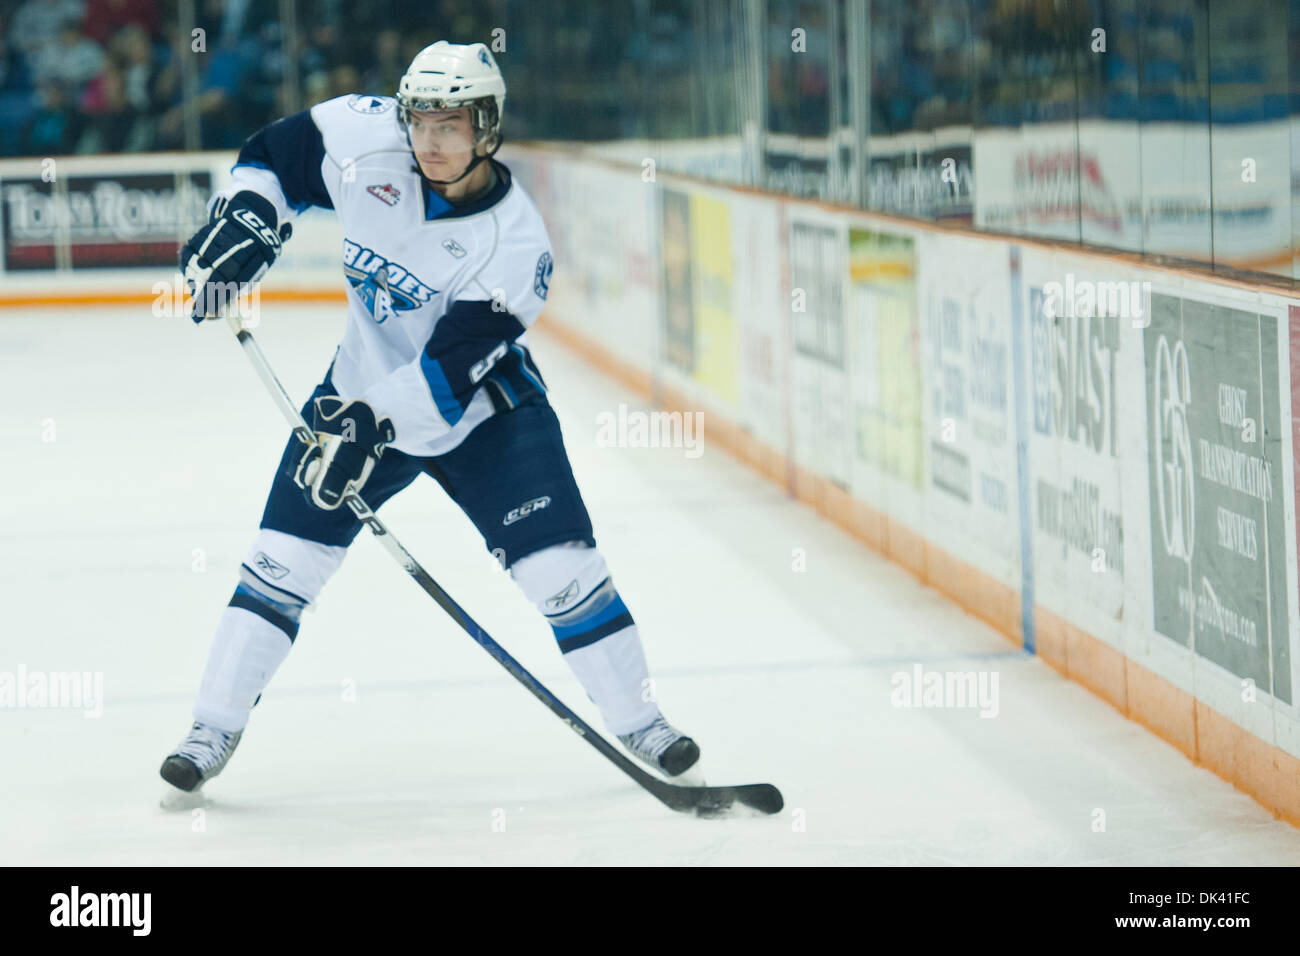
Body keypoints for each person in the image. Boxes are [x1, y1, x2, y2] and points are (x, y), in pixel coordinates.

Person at [162, 41, 700, 796]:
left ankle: (642, 722)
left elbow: (448, 376)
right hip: (357, 392)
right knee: (280, 565)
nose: (430, 141)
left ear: (488, 128)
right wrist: (249, 222)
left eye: (451, 125)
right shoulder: (364, 137)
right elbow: (271, 156)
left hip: (487, 415)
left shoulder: (515, 243)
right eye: (420, 121)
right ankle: (209, 729)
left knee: (563, 574)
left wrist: (365, 428)